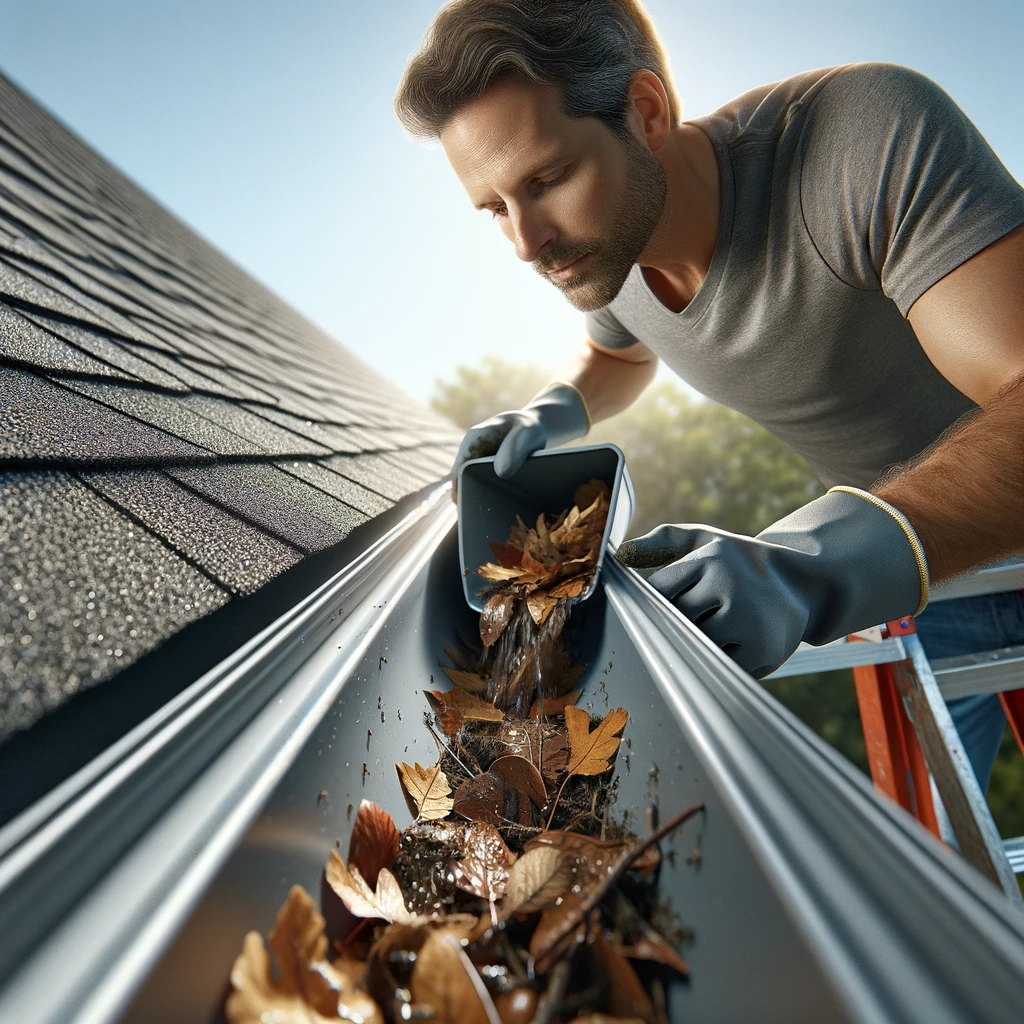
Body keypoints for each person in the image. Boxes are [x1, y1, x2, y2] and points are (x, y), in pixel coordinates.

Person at [394, 0, 1024, 797]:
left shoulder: (863, 139)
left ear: (646, 112)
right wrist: (560, 406)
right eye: (494, 210)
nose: (525, 243)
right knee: (932, 851)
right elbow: (617, 351)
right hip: (920, 584)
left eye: (546, 180)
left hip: (900, 553)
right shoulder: (602, 250)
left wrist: (812, 569)